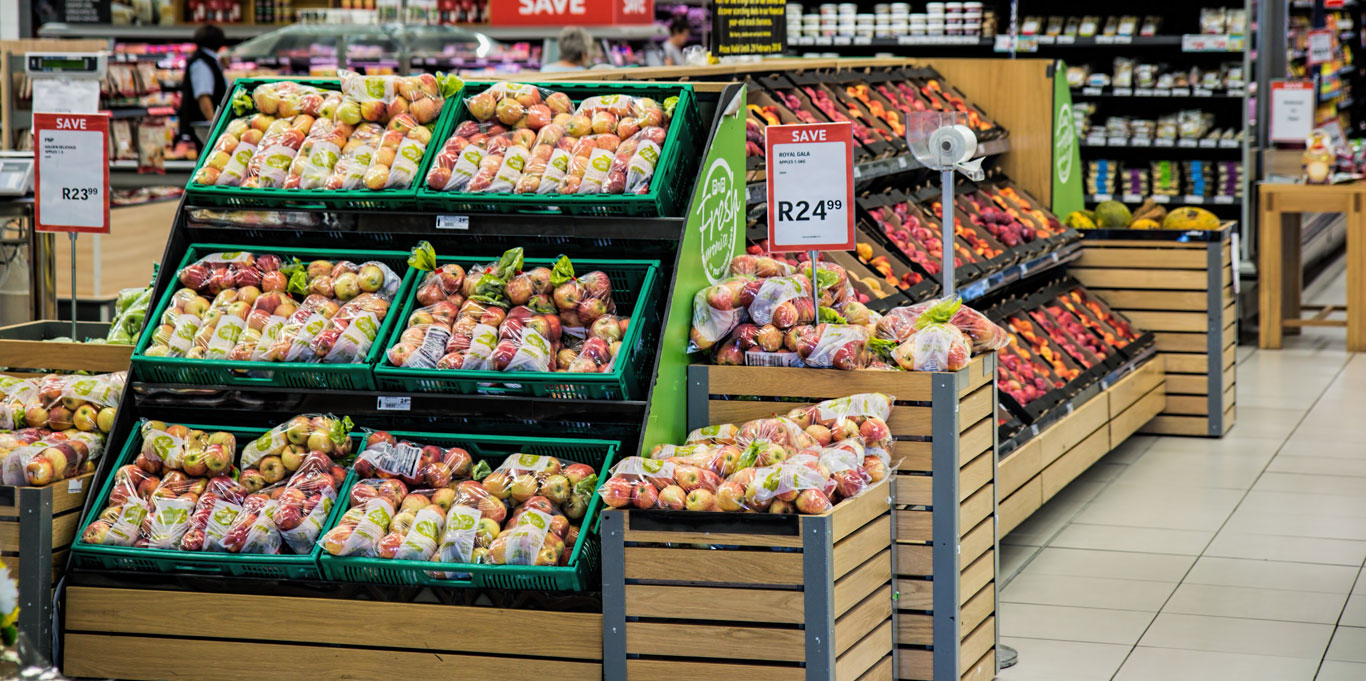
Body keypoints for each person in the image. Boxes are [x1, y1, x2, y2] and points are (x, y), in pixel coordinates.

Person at [178, 24, 227, 151]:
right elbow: (203, 96)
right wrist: (213, 127)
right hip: (203, 129)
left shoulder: (208, 60)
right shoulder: (201, 63)